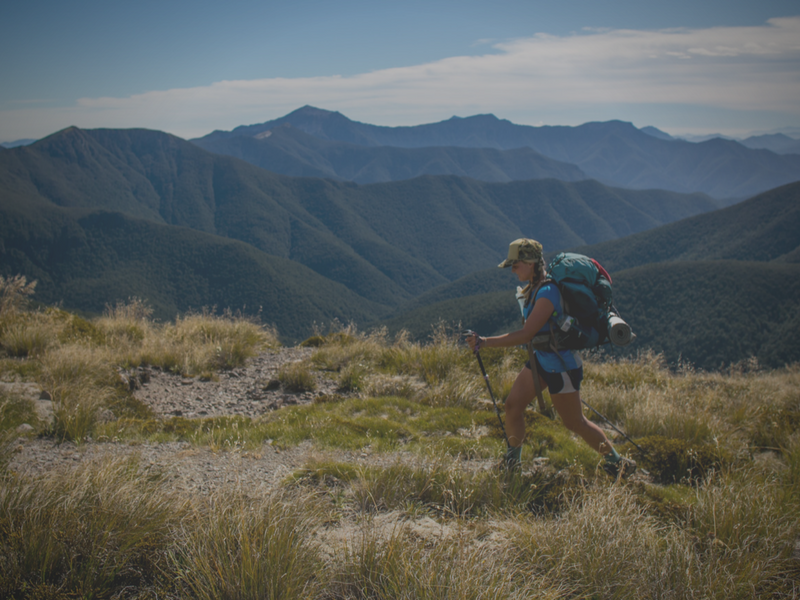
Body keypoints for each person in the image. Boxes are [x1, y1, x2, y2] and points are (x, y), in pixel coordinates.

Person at [466, 238, 635, 478]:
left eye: (515, 265)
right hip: (544, 360)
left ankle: (617, 463)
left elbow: (527, 334)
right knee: (513, 406)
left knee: (575, 423)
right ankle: (512, 464)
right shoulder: (534, 288)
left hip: (561, 366)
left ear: (530, 263)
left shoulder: (547, 292)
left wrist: (484, 342)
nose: (512, 270)